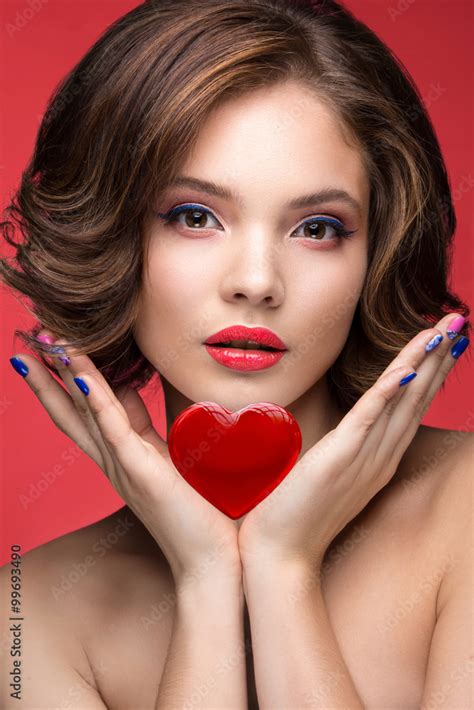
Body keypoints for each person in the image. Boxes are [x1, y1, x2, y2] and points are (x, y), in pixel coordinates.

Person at [1, 0, 472, 707]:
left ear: (378, 252)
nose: (256, 281)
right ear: (113, 237)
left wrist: (284, 570)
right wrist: (206, 577)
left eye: (317, 227)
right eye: (194, 217)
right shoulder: (28, 612)